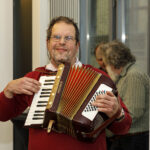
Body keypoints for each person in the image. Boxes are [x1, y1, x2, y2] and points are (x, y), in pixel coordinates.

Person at [0, 16, 131, 150]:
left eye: (68, 38)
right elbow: (2, 114)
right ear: (47, 43)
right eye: (56, 37)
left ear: (77, 45)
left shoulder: (99, 79)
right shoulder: (35, 77)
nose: (61, 42)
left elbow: (123, 128)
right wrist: (8, 91)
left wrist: (117, 112)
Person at [99, 40, 149, 150]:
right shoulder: (125, 75)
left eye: (106, 64)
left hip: (134, 139)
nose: (105, 68)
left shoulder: (133, 76)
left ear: (112, 63)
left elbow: (133, 113)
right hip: (128, 139)